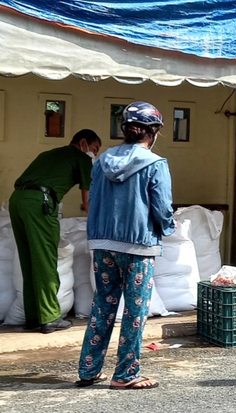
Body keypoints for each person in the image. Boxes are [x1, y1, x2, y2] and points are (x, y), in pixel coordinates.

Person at [76, 102, 175, 390]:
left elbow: (92, 200)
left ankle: (89, 369)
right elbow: (162, 207)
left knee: (103, 306)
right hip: (138, 247)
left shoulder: (102, 160)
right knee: (135, 311)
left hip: (103, 245)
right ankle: (125, 374)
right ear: (153, 132)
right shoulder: (156, 164)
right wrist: (169, 226)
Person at [10, 129, 101, 334]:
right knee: (46, 258)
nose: (94, 154)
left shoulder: (48, 154)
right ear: (83, 143)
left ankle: (33, 316)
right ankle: (50, 317)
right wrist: (98, 226)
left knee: (29, 259)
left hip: (17, 201)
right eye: (94, 149)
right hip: (40, 204)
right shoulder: (81, 159)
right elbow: (87, 201)